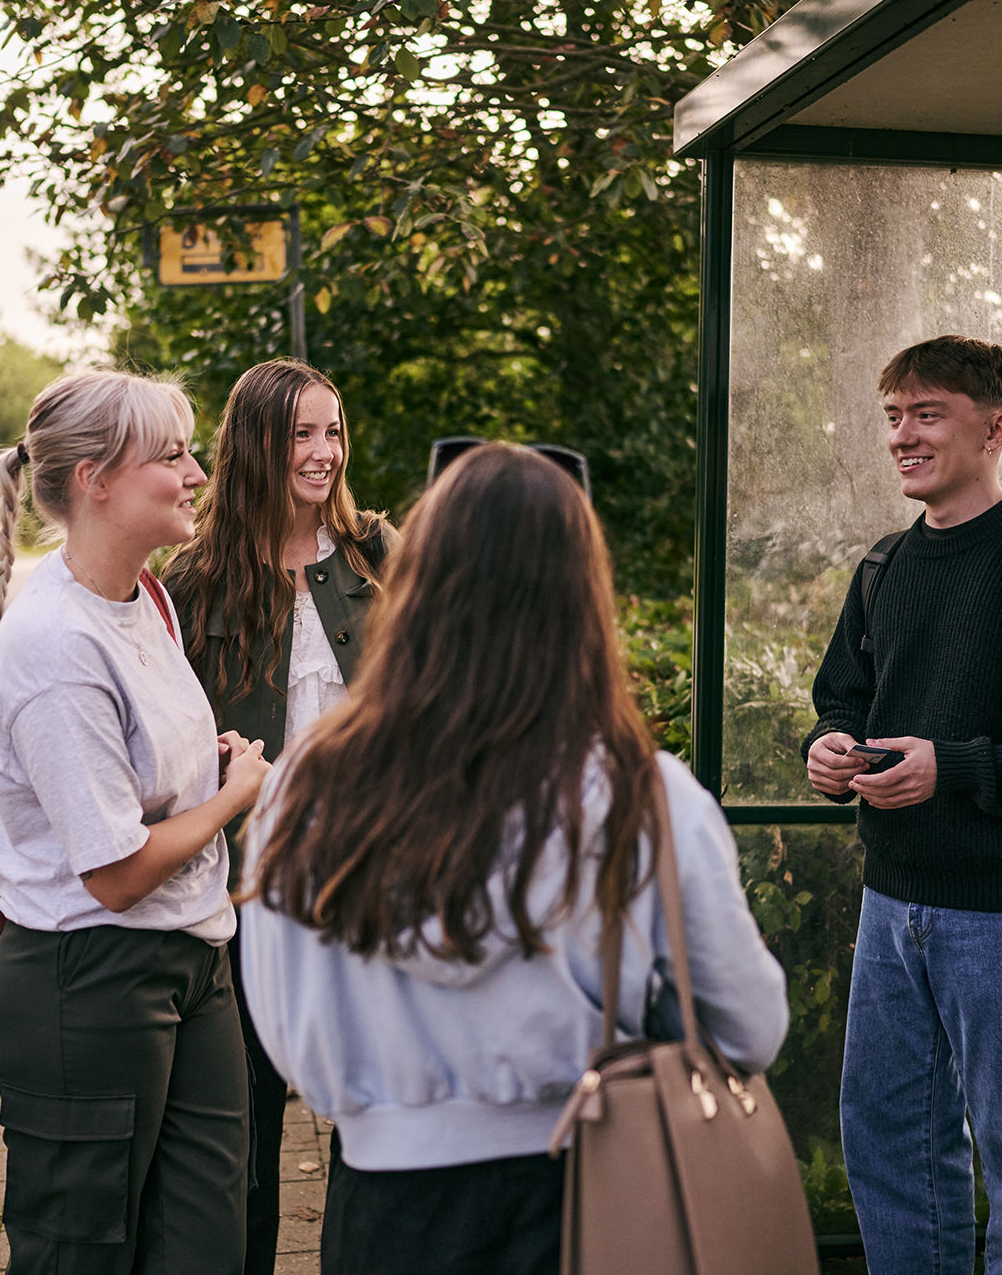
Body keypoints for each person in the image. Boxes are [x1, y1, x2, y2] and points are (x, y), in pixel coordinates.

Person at [237, 443, 790, 1275]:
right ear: (581, 596)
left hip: (381, 1209)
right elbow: (750, 1026)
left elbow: (280, 1027)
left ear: (416, 587)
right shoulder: (644, 795)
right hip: (590, 1197)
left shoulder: (306, 785)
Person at [802, 335, 1002, 1275]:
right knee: (888, 1140)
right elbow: (842, 695)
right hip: (892, 906)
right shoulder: (885, 567)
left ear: (996, 427)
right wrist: (828, 745)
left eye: (927, 414)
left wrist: (959, 768)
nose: (903, 435)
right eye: (894, 415)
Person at [0, 370, 270, 1275]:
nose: (196, 474)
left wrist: (201, 765)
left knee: (206, 1245)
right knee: (84, 1254)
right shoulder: (56, 645)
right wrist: (233, 799)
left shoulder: (150, 597)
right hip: (87, 976)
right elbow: (114, 872)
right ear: (96, 479)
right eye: (171, 455)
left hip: (190, 956)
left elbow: (136, 776)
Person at [162, 358, 395, 1275]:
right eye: (301, 433)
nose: (323, 452)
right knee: (245, 1129)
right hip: (245, 895)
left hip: (368, 885)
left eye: (333, 431)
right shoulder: (195, 580)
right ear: (254, 443)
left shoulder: (377, 551)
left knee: (374, 1114)